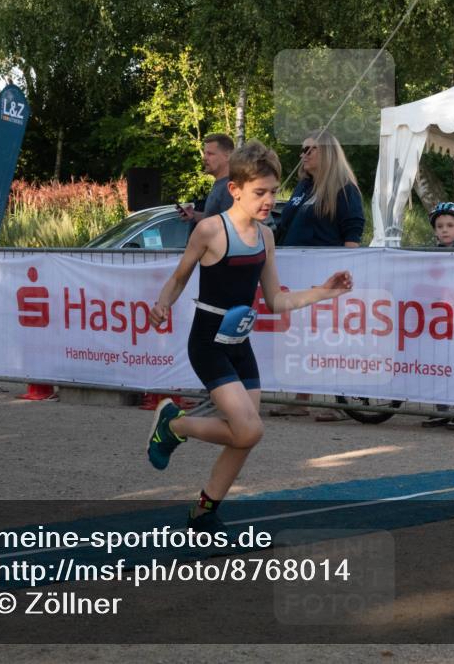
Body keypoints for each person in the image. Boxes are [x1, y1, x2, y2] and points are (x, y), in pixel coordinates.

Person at [147, 141, 354, 536]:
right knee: (249, 429)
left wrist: (324, 292)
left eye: (274, 192)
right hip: (207, 343)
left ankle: (204, 513)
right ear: (235, 189)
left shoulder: (266, 237)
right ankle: (174, 424)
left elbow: (275, 300)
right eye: (260, 192)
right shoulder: (210, 229)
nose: (269, 200)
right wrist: (162, 305)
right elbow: (178, 279)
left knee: (244, 437)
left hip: (241, 345)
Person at [274, 130, 365, 420]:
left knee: (329, 338)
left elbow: (352, 233)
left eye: (310, 149)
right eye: (302, 149)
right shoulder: (303, 187)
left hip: (325, 274)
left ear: (326, 152)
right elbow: (285, 225)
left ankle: (339, 403)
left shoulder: (343, 189)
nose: (303, 154)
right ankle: (302, 399)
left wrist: (346, 273)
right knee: (301, 337)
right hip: (297, 272)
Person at [419, 202, 454, 431]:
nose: (444, 230)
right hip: (435, 320)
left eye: (450, 225)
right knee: (436, 365)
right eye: (440, 226)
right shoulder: (428, 254)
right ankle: (440, 410)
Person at [177, 133, 235, 223]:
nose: (204, 158)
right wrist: (194, 215)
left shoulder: (230, 188)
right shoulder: (220, 184)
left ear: (227, 156)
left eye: (210, 154)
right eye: (204, 153)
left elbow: (231, 225)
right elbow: (216, 219)